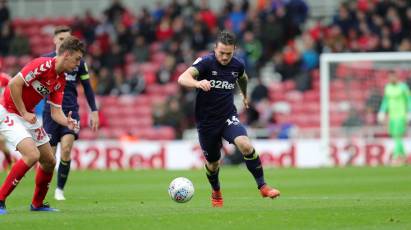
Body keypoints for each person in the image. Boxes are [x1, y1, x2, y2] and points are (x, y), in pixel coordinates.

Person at [177, 31, 280, 207]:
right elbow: (182, 78)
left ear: (234, 50)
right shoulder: (205, 63)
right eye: (221, 53)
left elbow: (243, 78)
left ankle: (263, 186)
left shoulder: (237, 65)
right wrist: (197, 83)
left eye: (229, 53)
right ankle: (216, 191)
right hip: (207, 122)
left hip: (227, 116)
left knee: (245, 145)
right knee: (213, 164)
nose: (225, 57)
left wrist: (245, 95)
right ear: (215, 49)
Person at [0, 36, 84, 215]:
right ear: (67, 55)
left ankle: (37, 205)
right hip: (8, 111)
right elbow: (15, 84)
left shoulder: (60, 79)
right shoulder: (43, 64)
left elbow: (56, 112)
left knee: (49, 160)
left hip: (26, 115)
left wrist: (67, 122)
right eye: (77, 59)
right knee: (31, 155)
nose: (78, 64)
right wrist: (23, 112)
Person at [42, 26, 99, 201]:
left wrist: (94, 110)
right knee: (48, 159)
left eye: (67, 39)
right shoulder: (46, 60)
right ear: (54, 41)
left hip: (71, 110)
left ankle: (60, 189)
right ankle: (43, 191)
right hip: (50, 111)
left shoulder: (79, 63)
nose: (64, 42)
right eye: (61, 39)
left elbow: (87, 88)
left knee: (66, 149)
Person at [378, 71, 411, 166]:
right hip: (391, 116)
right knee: (396, 137)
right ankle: (404, 157)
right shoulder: (387, 87)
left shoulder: (403, 87)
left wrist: (409, 111)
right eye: (390, 77)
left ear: (397, 77)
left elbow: (409, 100)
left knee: (397, 136)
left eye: (394, 77)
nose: (392, 79)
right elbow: (385, 101)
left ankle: (396, 158)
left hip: (401, 116)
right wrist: (382, 111)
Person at [0, 72, 12, 171]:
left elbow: (14, 87)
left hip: (2, 113)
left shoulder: (4, 78)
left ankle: (10, 164)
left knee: (2, 142)